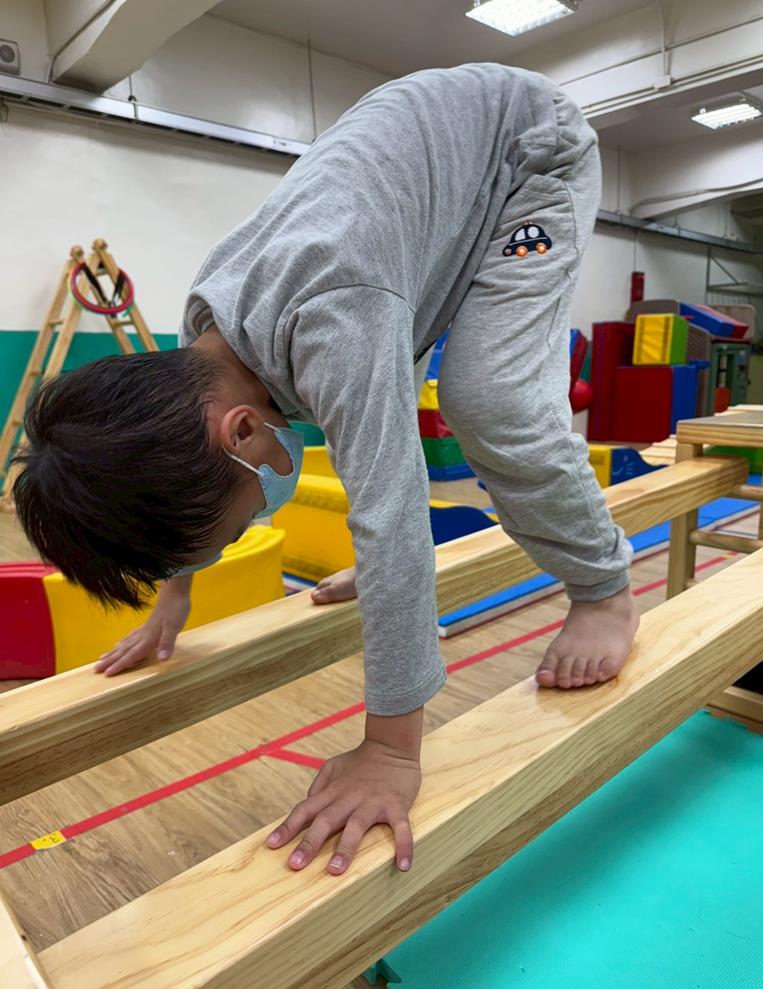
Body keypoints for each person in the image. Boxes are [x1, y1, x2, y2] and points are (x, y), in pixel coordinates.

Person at [14, 63, 638, 879]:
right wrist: (174, 598)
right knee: (380, 427)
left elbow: (392, 514)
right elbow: (181, 474)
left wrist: (390, 751)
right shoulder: (205, 342)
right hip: (421, 174)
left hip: (525, 149)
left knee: (490, 400)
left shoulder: (334, 318)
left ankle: (603, 588)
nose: (252, 519)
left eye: (238, 523)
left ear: (242, 431)